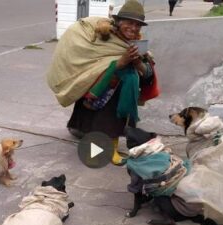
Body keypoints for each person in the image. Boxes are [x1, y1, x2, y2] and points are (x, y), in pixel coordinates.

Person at [47, 0, 159, 165]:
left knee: (114, 122)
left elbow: (148, 73)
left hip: (123, 91)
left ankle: (105, 146)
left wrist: (137, 63)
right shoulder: (103, 38)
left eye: (138, 25)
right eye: (129, 23)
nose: (134, 28)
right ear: (119, 22)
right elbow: (91, 61)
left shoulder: (137, 43)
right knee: (104, 122)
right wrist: (120, 62)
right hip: (102, 90)